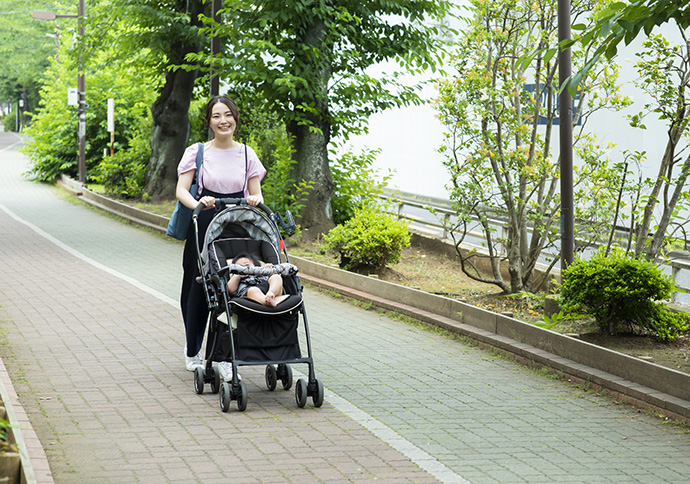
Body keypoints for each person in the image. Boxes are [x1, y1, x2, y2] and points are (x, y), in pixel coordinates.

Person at [176, 95, 266, 381]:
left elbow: (256, 192)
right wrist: (199, 205)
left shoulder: (247, 153)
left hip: (237, 224)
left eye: (228, 115)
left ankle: (225, 355)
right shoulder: (197, 151)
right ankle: (193, 350)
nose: (223, 120)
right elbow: (181, 190)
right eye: (216, 116)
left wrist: (254, 199)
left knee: (233, 286)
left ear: (236, 119)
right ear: (209, 122)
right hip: (203, 221)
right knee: (198, 287)